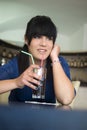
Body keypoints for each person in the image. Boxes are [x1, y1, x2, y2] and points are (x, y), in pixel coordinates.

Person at [0, 15, 75, 105]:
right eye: (37, 37)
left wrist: (54, 58)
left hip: (48, 117)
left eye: (49, 38)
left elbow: (66, 99)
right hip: (18, 117)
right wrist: (16, 82)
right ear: (27, 40)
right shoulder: (17, 62)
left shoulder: (59, 62)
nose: (43, 44)